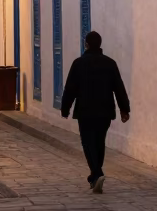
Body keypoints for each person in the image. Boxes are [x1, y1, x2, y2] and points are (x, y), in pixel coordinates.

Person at [60, 30, 129, 195]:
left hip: (85, 111)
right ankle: (95, 175)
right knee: (99, 141)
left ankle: (97, 173)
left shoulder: (78, 63)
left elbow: (70, 88)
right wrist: (124, 109)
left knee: (87, 142)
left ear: (86, 45)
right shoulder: (110, 63)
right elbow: (119, 87)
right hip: (105, 111)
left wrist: (65, 108)